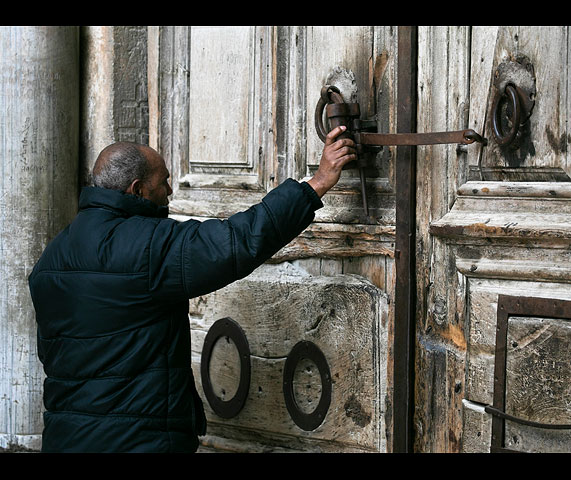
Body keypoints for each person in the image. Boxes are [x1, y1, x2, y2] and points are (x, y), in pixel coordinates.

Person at [28, 125, 356, 453]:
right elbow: (236, 242)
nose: (171, 190)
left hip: (65, 440)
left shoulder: (50, 260)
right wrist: (316, 184)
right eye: (164, 181)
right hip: (137, 442)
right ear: (137, 189)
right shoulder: (147, 246)